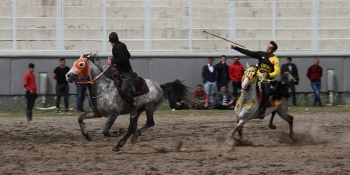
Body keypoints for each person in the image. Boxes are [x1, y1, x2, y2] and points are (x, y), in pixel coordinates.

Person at [231, 41, 280, 118]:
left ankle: (262, 111)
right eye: (268, 47)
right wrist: (236, 48)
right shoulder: (261, 54)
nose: (267, 49)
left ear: (274, 50)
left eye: (270, 48)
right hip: (257, 77)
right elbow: (249, 53)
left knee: (266, 92)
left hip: (267, 80)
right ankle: (240, 104)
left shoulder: (275, 59)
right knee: (246, 84)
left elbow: (277, 72)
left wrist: (268, 74)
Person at [107, 31, 136, 118]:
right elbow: (128, 56)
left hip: (125, 72)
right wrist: (115, 61)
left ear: (110, 41)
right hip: (121, 70)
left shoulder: (115, 48)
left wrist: (112, 61)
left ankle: (132, 106)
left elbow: (123, 58)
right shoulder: (122, 45)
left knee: (123, 89)